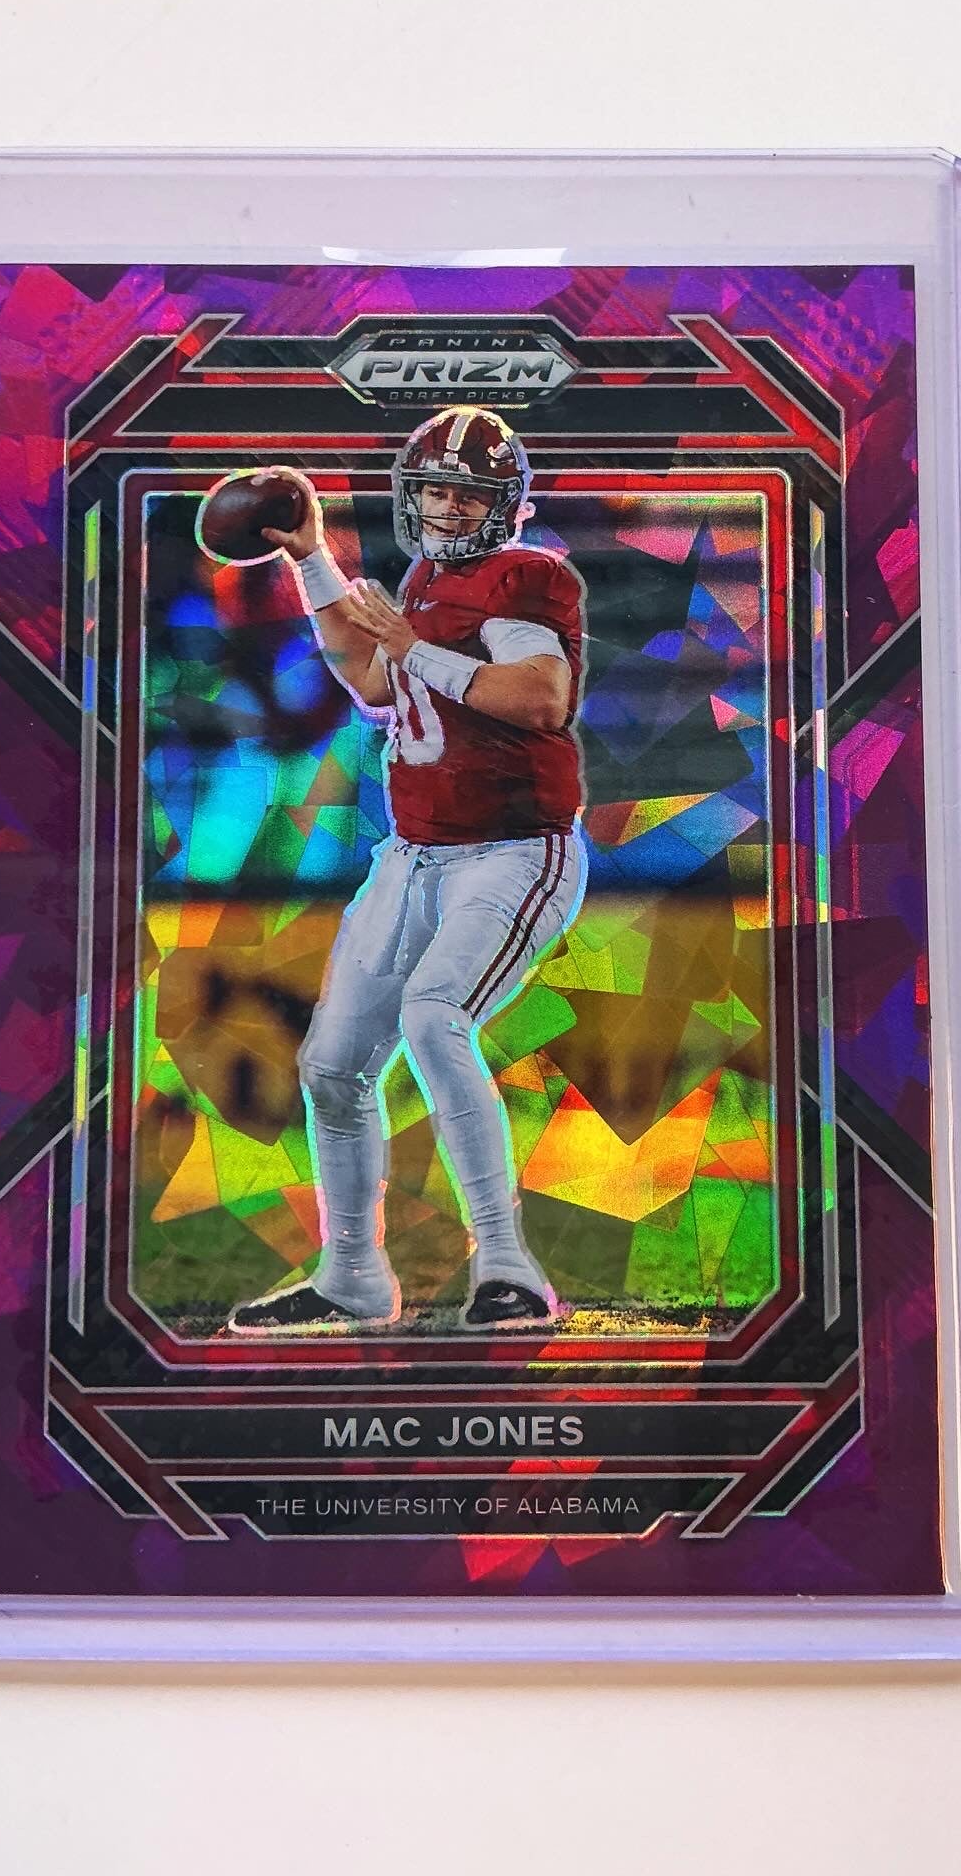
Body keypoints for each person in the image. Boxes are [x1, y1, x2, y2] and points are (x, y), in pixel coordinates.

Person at [228, 407, 587, 1332]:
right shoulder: (426, 578)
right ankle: (352, 1274)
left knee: (434, 1017)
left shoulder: (530, 574)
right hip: (413, 853)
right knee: (333, 1068)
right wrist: (312, 561)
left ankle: (508, 1267)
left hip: (514, 850)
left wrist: (412, 646)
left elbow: (541, 700)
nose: (448, 507)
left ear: (504, 503)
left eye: (468, 493)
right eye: (435, 489)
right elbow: (373, 682)